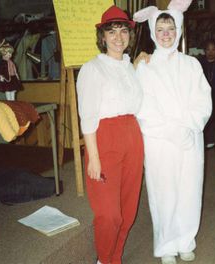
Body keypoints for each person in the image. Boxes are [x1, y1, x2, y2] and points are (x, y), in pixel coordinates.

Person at [133, 1, 212, 263]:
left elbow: (203, 100)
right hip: (159, 141)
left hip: (190, 137)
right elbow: (144, 107)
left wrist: (188, 126)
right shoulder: (145, 66)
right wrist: (169, 131)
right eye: (160, 29)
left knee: (190, 189)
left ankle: (185, 239)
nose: (166, 34)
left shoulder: (192, 65)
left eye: (170, 28)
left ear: (178, 30)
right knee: (163, 192)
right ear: (153, 33)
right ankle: (166, 245)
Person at [76, 6, 144, 264]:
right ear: (102, 36)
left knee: (128, 210)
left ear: (130, 35)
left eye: (123, 30)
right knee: (108, 214)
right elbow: (88, 116)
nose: (118, 36)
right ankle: (105, 258)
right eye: (112, 31)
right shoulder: (92, 69)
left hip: (133, 138)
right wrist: (93, 157)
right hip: (104, 140)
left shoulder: (129, 66)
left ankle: (113, 258)